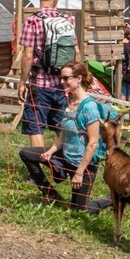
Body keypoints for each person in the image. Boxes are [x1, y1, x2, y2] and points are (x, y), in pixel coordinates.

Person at [18, 61, 106, 211]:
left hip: (83, 164)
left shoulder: (90, 107)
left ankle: (111, 199)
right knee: (26, 153)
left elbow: (93, 143)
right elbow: (64, 134)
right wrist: (50, 152)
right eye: (61, 78)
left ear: (78, 79)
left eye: (66, 78)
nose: (61, 81)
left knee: (79, 211)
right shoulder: (70, 100)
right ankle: (49, 192)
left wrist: (79, 172)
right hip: (65, 157)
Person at [18, 0, 79, 148]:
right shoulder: (67, 20)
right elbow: (77, 52)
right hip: (63, 84)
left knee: (36, 127)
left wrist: (23, 82)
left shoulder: (32, 21)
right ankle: (67, 163)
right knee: (62, 126)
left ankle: (38, 171)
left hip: (40, 84)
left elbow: (27, 56)